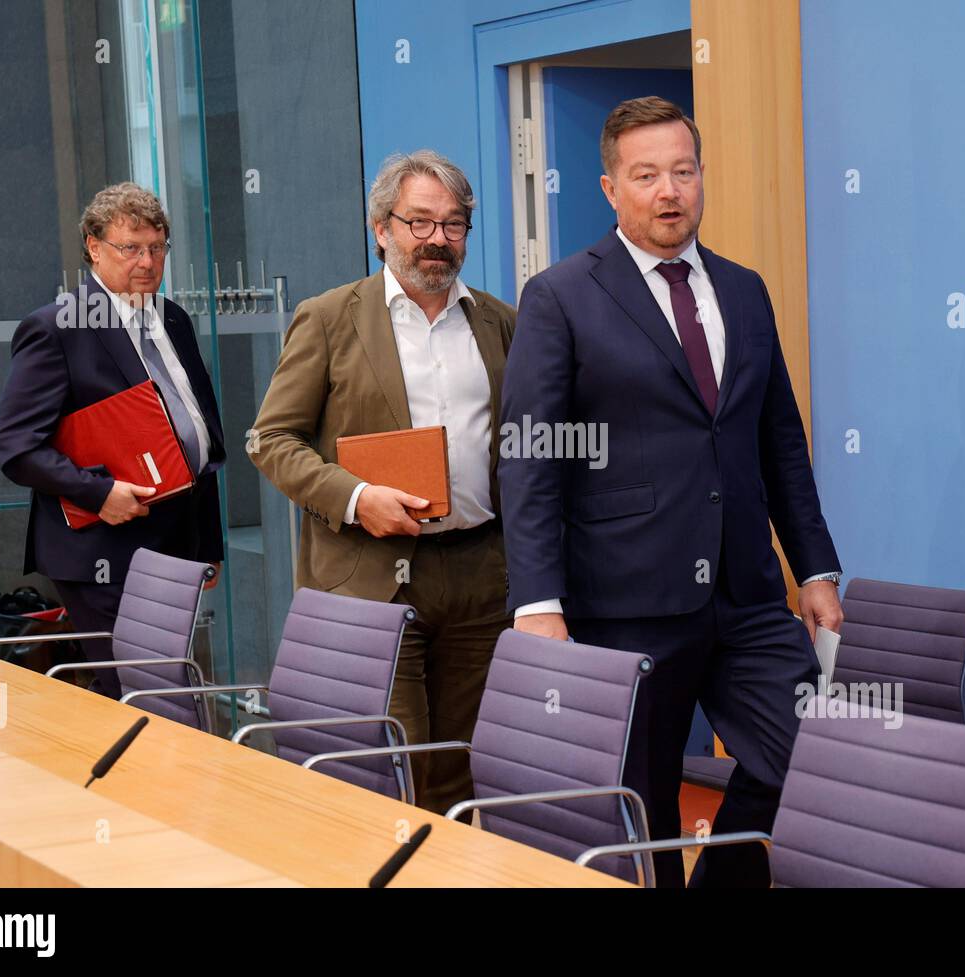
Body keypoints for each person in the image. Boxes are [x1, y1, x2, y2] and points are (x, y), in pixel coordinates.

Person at [500, 97, 844, 887]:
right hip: (625, 601)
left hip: (749, 596)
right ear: (609, 187)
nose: (669, 191)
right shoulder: (561, 296)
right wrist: (537, 601)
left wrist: (816, 567)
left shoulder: (745, 290)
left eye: (683, 172)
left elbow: (778, 441)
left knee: (810, 764)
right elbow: (530, 457)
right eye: (646, 174)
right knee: (639, 806)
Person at [249, 151, 515, 815]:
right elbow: (270, 440)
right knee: (395, 770)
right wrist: (356, 497)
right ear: (381, 228)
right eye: (419, 222)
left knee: (465, 770)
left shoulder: (501, 322)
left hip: (482, 574)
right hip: (370, 575)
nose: (437, 240)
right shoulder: (330, 317)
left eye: (454, 225)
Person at [0, 182, 225, 698]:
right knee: (141, 694)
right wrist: (99, 493)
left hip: (176, 545)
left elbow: (198, 435)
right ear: (94, 247)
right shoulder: (57, 327)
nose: (146, 262)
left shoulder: (173, 319)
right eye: (130, 248)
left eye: (157, 248)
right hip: (102, 547)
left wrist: (208, 545)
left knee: (157, 693)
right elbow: (15, 446)